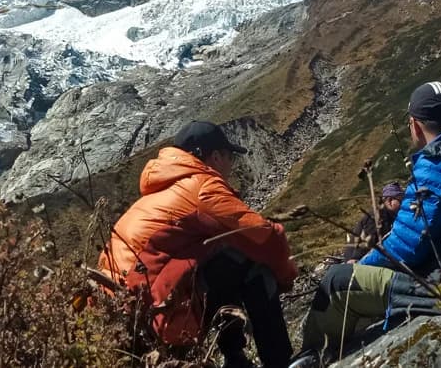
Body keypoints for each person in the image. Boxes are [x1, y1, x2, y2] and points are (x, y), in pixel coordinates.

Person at [293, 81, 441, 363]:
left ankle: (314, 358)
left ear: (415, 125)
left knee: (336, 281)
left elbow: (405, 247)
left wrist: (358, 268)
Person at [99, 121, 299, 368]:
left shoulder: (158, 193)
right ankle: (279, 362)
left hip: (117, 313)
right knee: (250, 265)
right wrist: (286, 277)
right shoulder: (204, 186)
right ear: (215, 157)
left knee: (222, 259)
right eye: (229, 157)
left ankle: (236, 360)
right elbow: (265, 237)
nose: (231, 165)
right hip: (155, 311)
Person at [340, 182, 403, 262]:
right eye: (400, 201)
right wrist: (356, 258)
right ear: (389, 201)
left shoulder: (388, 216)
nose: (402, 205)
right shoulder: (377, 217)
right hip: (357, 260)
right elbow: (366, 239)